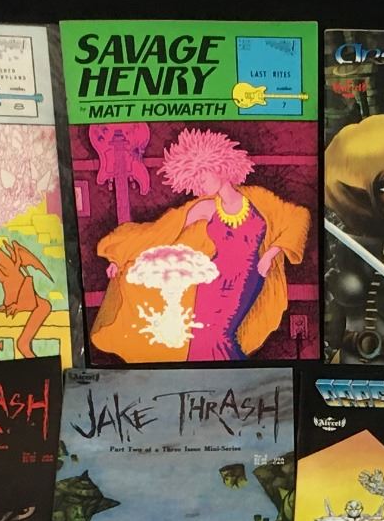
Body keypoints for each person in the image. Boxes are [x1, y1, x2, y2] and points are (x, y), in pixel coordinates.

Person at [92, 129, 308, 363]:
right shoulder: (205, 207)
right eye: (195, 180)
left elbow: (298, 217)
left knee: (222, 335)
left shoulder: (258, 198)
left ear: (219, 167)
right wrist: (118, 256)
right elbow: (158, 233)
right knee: (210, 336)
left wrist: (270, 254)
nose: (200, 186)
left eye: (202, 178)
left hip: (247, 278)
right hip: (212, 283)